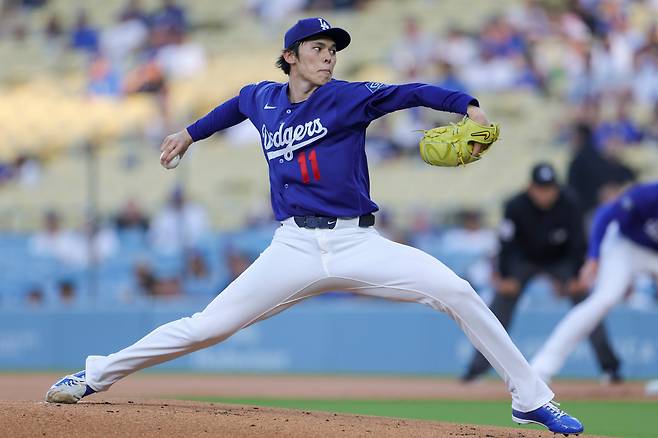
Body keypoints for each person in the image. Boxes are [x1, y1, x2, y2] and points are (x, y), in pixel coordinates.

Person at [45, 18, 583, 435]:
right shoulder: (264, 97)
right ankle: (94, 374)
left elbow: (411, 91)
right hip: (295, 246)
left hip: (356, 241)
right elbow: (234, 105)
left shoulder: (347, 97)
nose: (328, 57)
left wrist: (469, 106)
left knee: (459, 292)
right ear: (290, 57)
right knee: (207, 327)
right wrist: (189, 132)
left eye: (332, 50)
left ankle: (531, 399)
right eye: (318, 49)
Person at [462, 163, 621, 384]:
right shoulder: (515, 205)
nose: (546, 194)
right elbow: (506, 243)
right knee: (501, 304)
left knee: (587, 304)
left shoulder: (569, 202)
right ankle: (475, 370)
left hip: (561, 260)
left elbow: (578, 243)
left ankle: (610, 369)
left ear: (557, 187)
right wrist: (506, 275)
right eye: (541, 188)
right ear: (530, 187)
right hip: (526, 260)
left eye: (550, 188)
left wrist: (576, 276)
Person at [531, 181, 658, 382]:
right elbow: (605, 215)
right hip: (625, 246)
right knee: (604, 299)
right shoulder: (648, 194)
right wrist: (594, 257)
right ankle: (542, 366)